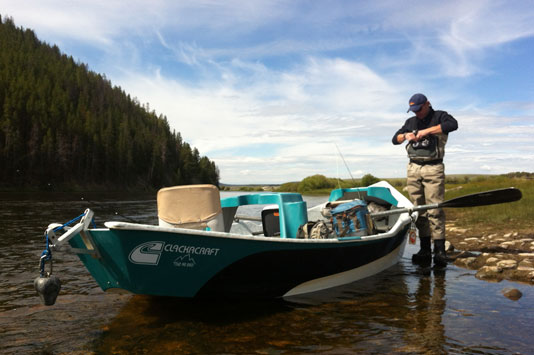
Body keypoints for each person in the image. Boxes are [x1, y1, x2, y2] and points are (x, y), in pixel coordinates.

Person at [392, 93, 458, 267]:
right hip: (413, 168)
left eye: (419, 109)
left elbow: (453, 125)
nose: (417, 114)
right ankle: (424, 250)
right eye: (413, 110)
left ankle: (439, 251)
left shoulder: (440, 116)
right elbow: (394, 139)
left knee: (434, 209)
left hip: (433, 167)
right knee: (419, 210)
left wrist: (426, 131)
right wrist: (406, 136)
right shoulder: (410, 122)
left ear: (427, 104)